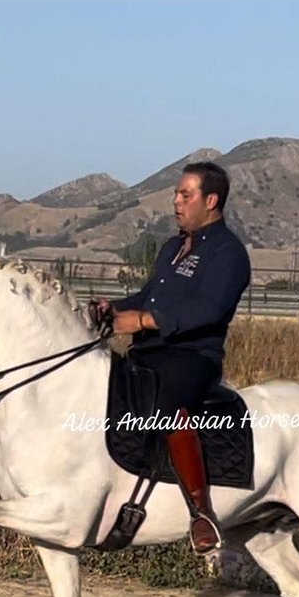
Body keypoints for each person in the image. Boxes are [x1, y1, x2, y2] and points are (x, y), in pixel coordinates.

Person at [89, 161, 251, 556]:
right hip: (150, 352)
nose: (176, 202)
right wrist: (113, 308)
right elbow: (148, 297)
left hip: (192, 357)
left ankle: (201, 513)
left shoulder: (228, 253)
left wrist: (144, 319)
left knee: (166, 405)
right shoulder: (173, 248)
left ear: (211, 201)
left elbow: (210, 309)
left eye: (185, 194)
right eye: (176, 194)